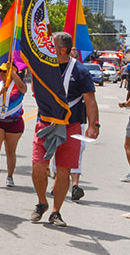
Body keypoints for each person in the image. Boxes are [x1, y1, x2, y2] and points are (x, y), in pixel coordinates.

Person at [30, 32, 99, 227]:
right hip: (45, 123)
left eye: (51, 45)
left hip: (72, 125)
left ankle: (56, 211)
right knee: (38, 167)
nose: (47, 48)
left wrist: (94, 125)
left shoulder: (80, 71)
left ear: (62, 49)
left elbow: (90, 101)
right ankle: (42, 202)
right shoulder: (44, 68)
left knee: (63, 170)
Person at [0, 62, 27, 188]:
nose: (2, 74)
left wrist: (12, 72)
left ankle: (10, 176)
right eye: (0, 71)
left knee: (10, 151)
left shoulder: (19, 85)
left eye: (4, 71)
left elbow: (23, 89)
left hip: (14, 122)